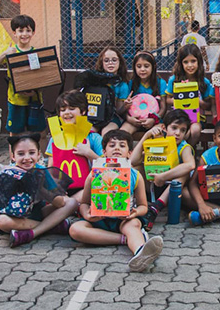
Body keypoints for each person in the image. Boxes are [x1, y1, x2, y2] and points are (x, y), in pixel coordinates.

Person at [69, 130, 163, 272]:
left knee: (133, 225)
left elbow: (144, 206)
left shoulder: (135, 176)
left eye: (122, 145)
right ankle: (124, 240)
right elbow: (84, 203)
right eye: (112, 145)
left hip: (123, 219)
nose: (117, 148)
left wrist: (135, 212)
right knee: (75, 229)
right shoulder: (93, 174)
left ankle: (140, 252)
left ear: (130, 153)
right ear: (104, 152)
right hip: (99, 219)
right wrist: (87, 215)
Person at [0, 134, 78, 248]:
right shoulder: (8, 173)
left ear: (39, 154)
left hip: (38, 212)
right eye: (21, 154)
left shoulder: (42, 171)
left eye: (32, 153)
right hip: (16, 216)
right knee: (1, 221)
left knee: (71, 202)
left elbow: (59, 202)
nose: (27, 158)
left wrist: (40, 189)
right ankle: (51, 227)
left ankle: (32, 233)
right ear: (13, 156)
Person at [131, 110, 196, 231]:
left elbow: (191, 165)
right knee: (135, 169)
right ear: (164, 128)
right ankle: (140, 204)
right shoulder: (157, 141)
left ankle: (155, 208)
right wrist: (146, 136)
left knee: (185, 173)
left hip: (172, 190)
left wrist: (163, 176)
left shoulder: (184, 147)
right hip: (152, 186)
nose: (178, 133)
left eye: (182, 130)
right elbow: (133, 161)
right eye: (174, 128)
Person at [0, 15, 47, 138]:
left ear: (33, 32)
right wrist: (5, 54)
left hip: (35, 100)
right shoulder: (10, 51)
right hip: (16, 100)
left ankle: (43, 157)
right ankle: (13, 157)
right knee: (15, 132)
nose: (24, 34)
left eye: (28, 30)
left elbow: (42, 78)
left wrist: (35, 91)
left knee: (40, 132)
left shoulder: (36, 53)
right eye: (20, 31)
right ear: (14, 33)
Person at [46, 90, 103, 201]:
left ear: (83, 111)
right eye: (63, 110)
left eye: (72, 109)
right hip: (62, 190)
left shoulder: (93, 138)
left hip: (88, 187)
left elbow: (107, 166)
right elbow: (50, 168)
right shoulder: (55, 139)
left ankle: (69, 205)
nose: (67, 113)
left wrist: (88, 153)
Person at [165, 44, 214, 146]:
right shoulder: (174, 80)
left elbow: (208, 105)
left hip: (197, 119)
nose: (190, 65)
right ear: (180, 63)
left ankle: (188, 151)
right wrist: (179, 99)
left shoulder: (203, 82)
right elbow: (167, 99)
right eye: (185, 62)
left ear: (199, 62)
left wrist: (196, 100)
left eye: (193, 61)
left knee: (195, 130)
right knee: (177, 130)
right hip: (177, 117)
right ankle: (180, 154)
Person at [121, 51, 167, 136]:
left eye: (146, 66)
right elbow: (125, 107)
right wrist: (130, 119)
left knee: (159, 134)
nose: (142, 69)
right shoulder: (131, 83)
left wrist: (154, 119)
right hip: (135, 120)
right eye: (139, 66)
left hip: (154, 120)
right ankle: (131, 150)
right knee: (122, 133)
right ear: (134, 68)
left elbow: (163, 107)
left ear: (153, 67)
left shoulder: (160, 83)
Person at [94, 46, 130, 136]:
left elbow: (119, 111)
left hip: (112, 118)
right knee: (88, 131)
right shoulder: (94, 81)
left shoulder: (122, 86)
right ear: (101, 63)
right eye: (106, 60)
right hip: (95, 117)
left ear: (119, 63)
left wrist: (125, 106)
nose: (110, 63)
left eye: (114, 60)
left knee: (106, 133)